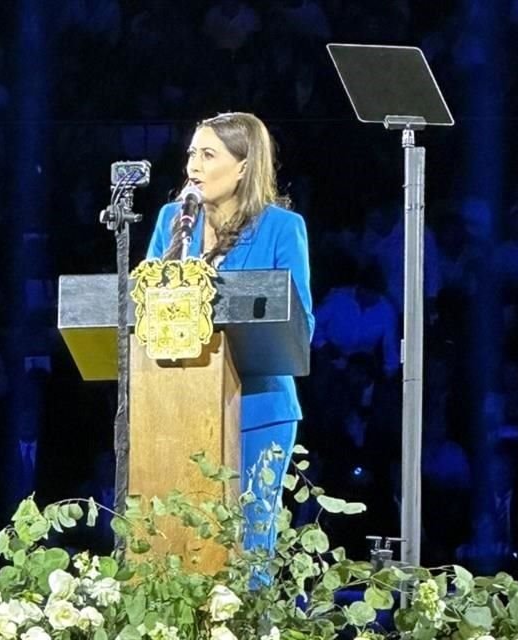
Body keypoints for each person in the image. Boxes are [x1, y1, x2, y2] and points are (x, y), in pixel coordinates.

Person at [146, 112, 314, 555]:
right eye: (191, 155)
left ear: (244, 166)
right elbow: (143, 311)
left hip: (260, 407)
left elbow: (302, 327)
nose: (193, 167)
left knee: (248, 542)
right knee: (179, 540)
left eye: (207, 155)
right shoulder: (172, 220)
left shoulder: (282, 227)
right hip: (175, 406)